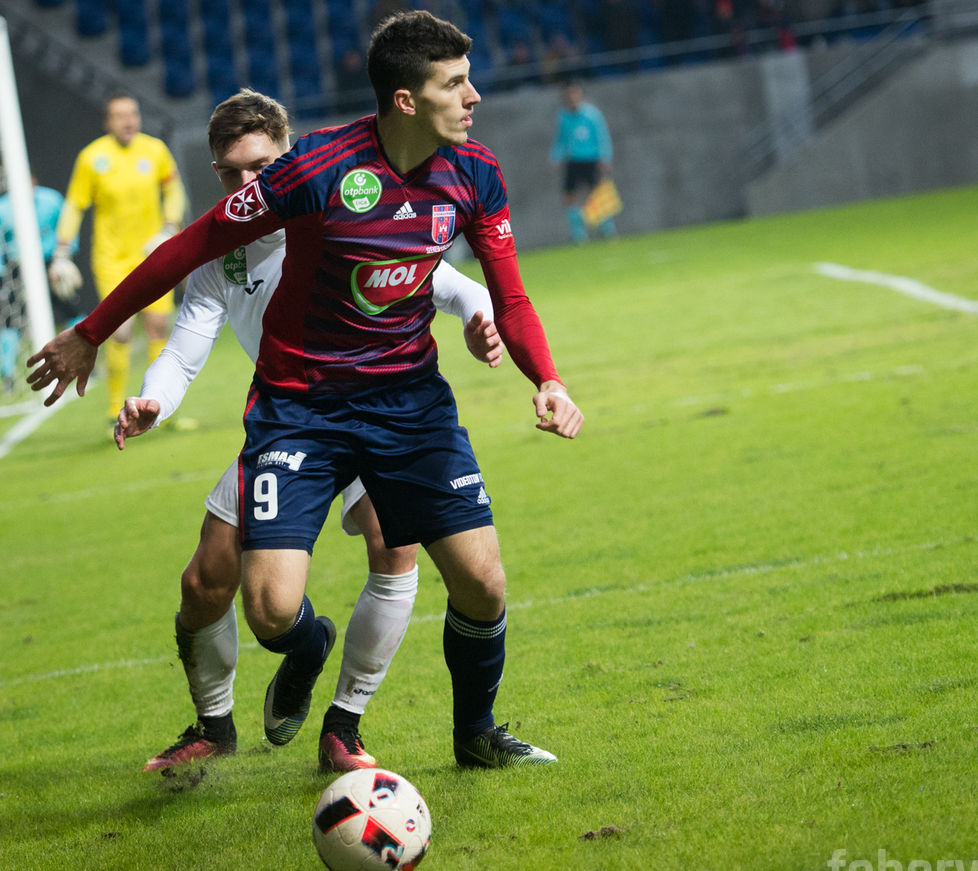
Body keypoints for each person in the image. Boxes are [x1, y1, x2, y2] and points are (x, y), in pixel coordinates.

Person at [28, 11, 584, 769]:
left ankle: (466, 734)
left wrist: (545, 377)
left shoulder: (475, 171)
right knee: (268, 607)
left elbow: (504, 295)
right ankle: (265, 687)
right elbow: (192, 246)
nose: (474, 95)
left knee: (481, 581)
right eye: (455, 82)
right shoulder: (316, 171)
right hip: (301, 410)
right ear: (406, 99)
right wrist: (91, 332)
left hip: (407, 404)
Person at [118, 89, 504, 774]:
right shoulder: (220, 254)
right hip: (294, 419)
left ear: (288, 155)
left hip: (375, 407)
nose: (247, 183)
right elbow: (182, 350)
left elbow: (453, 284)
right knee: (206, 580)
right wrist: (154, 399)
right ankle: (225, 717)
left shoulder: (337, 211)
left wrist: (482, 319)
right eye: (232, 172)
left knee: (393, 544)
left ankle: (344, 727)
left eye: (260, 166)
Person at [48, 93, 188, 425]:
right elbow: (74, 205)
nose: (128, 120)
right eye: (120, 115)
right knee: (121, 332)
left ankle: (160, 409)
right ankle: (115, 409)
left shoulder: (155, 150)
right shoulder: (92, 157)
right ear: (107, 122)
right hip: (111, 259)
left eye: (133, 114)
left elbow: (174, 190)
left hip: (152, 255)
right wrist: (62, 250)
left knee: (158, 327)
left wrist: (170, 227)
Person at [0, 176, 76, 392]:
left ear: (35, 182)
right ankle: (7, 376)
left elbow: (68, 226)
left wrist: (65, 256)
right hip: (18, 268)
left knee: (72, 309)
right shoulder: (1, 209)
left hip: (51, 264)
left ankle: (85, 362)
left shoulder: (52, 200)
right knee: (11, 320)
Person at [549, 82, 618, 242]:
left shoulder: (592, 115)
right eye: (569, 96)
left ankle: (607, 230)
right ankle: (578, 235)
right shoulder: (563, 116)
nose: (572, 98)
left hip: (591, 159)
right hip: (573, 160)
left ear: (580, 96)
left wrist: (605, 157)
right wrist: (555, 158)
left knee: (597, 195)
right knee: (570, 196)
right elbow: (561, 140)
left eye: (575, 95)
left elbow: (602, 136)